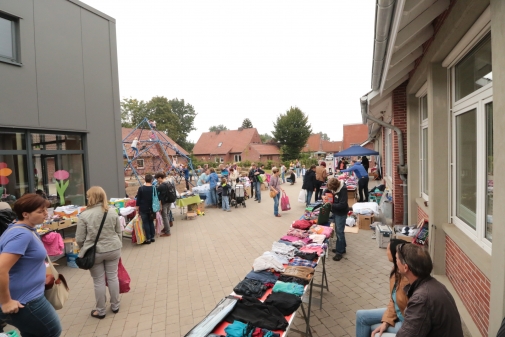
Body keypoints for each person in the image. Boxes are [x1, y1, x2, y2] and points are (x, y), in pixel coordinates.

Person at [0, 194, 62, 336]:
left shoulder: (21, 229)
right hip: (26, 301)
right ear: (25, 214)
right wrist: (6, 301)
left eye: (46, 210)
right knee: (51, 330)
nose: (46, 214)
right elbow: (1, 269)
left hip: (28, 297)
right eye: (40, 212)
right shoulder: (22, 234)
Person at [395, 244, 463, 337]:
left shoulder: (421, 299)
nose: (396, 263)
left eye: (397, 260)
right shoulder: (434, 285)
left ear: (405, 267)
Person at [76, 186, 122, 319]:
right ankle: (115, 305)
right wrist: (117, 244)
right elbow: (118, 231)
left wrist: (84, 248)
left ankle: (101, 311)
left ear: (91, 197)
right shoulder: (112, 211)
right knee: (113, 277)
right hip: (113, 248)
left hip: (94, 252)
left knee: (98, 281)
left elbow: (79, 238)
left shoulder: (84, 215)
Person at [355, 239, 410, 337]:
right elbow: (393, 301)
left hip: (406, 323)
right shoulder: (395, 271)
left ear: (395, 254)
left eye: (388, 249)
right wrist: (386, 322)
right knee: (361, 316)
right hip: (397, 313)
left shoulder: (407, 280)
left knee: (373, 329)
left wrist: (387, 322)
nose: (386, 252)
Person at [324, 178, 349, 261]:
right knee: (338, 230)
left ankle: (339, 252)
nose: (331, 191)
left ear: (336, 187)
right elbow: (326, 190)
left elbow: (342, 204)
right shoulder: (334, 188)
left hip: (341, 213)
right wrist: (324, 195)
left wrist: (331, 204)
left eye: (332, 189)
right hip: (336, 212)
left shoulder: (343, 190)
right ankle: (342, 248)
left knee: (339, 232)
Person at [135, 174, 156, 244]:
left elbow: (138, 199)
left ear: (145, 180)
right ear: (151, 180)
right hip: (152, 208)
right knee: (151, 222)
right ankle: (153, 237)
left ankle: (148, 238)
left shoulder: (141, 189)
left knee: (146, 222)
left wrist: (137, 208)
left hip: (143, 208)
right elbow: (156, 198)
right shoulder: (154, 188)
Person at [155, 172, 173, 237]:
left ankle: (167, 232)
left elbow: (157, 192)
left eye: (157, 179)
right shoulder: (169, 182)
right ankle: (166, 228)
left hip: (165, 202)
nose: (157, 180)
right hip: (170, 201)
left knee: (164, 216)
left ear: (160, 178)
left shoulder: (162, 185)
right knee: (167, 215)